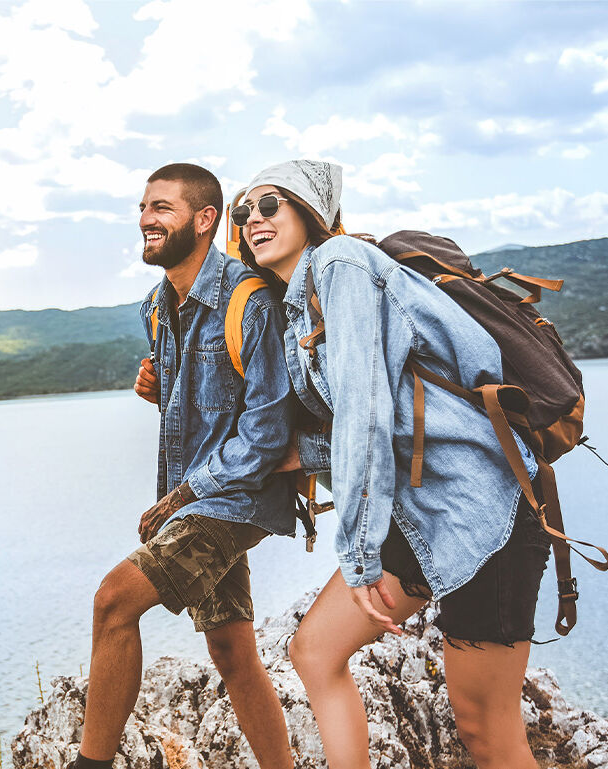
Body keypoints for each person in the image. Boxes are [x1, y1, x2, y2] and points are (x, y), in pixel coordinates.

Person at [233, 160, 551, 769]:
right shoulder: (302, 305)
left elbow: (366, 413)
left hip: (485, 516)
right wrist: (293, 455)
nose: (252, 219)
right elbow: (395, 418)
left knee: (487, 731)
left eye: (268, 204)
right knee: (316, 652)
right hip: (422, 518)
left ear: (312, 209)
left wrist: (356, 554)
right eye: (243, 211)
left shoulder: (341, 265)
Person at [69, 163, 296, 769]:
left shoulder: (248, 300)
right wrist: (158, 387)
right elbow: (201, 400)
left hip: (236, 497)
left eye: (162, 208)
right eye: (144, 207)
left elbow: (268, 430)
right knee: (230, 649)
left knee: (114, 600)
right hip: (195, 496)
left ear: (204, 220)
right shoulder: (157, 304)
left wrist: (184, 493)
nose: (146, 219)